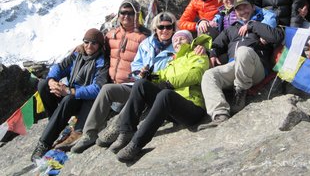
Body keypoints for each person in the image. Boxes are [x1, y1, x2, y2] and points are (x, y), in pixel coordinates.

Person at [71, 11, 176, 153]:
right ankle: (89, 133)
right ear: (155, 29)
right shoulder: (146, 44)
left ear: (174, 28)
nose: (165, 30)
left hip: (158, 89)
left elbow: (177, 69)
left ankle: (117, 128)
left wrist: (154, 77)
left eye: (168, 27)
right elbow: (136, 65)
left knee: (139, 92)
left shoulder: (178, 44)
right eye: (161, 27)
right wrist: (140, 72)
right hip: (138, 83)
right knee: (108, 89)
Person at [110, 30, 211, 163]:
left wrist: (169, 83)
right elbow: (161, 76)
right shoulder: (172, 62)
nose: (178, 42)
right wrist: (147, 76)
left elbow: (197, 74)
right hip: (173, 110)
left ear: (190, 41)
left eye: (182, 39)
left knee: (166, 94)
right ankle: (126, 131)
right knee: (141, 84)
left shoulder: (198, 54)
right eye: (175, 40)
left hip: (192, 108)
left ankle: (136, 144)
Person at [198, 0, 284, 130]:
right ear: (235, 12)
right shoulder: (231, 29)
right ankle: (220, 115)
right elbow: (217, 44)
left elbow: (276, 36)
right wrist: (213, 52)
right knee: (209, 75)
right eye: (239, 9)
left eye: (246, 7)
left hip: (256, 67)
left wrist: (252, 25)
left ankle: (240, 91)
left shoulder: (262, 24)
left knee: (243, 51)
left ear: (253, 7)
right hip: (234, 65)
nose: (243, 11)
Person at [31, 28, 109, 162]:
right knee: (43, 85)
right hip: (69, 92)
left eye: (94, 43)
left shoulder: (102, 62)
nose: (89, 46)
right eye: (87, 42)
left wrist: (70, 91)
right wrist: (52, 81)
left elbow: (98, 88)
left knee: (68, 99)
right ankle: (55, 123)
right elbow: (59, 67)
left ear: (100, 46)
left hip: (83, 99)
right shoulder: (77, 55)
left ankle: (44, 143)